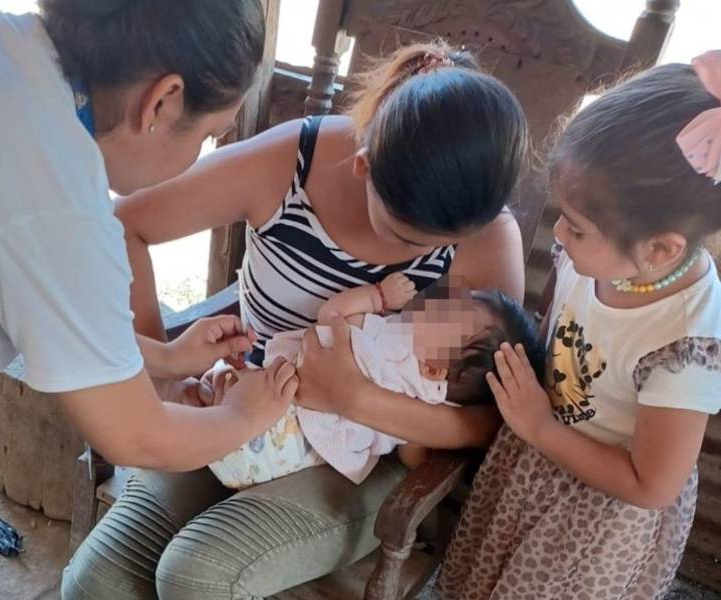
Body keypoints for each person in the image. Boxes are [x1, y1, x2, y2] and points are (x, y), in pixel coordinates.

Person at [64, 41, 529, 599]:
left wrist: (354, 398)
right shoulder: (294, 161)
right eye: (407, 238)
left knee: (195, 576)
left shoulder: (480, 235)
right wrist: (164, 368)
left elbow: (491, 419)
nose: (427, 254)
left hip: (355, 458)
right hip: (238, 397)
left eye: (441, 246)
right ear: (364, 167)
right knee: (95, 586)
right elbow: (126, 225)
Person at [0, 0, 298, 473]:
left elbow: (66, 323)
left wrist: (167, 358)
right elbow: (140, 438)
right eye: (207, 136)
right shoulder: (58, 207)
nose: (201, 152)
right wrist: (244, 416)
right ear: (163, 102)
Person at [434, 51, 721, 600]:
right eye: (560, 214)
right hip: (531, 462)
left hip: (594, 520)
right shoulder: (601, 255)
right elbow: (558, 325)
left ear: (660, 248)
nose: (559, 235)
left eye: (578, 227)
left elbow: (652, 484)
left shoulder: (686, 343)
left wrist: (541, 427)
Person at [206, 274, 545, 489]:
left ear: (434, 370)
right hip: (292, 455)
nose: (447, 303)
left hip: (286, 425)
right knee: (226, 399)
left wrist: (377, 297)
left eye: (455, 317)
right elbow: (413, 455)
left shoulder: (393, 338)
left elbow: (332, 316)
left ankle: (210, 422)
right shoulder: (424, 398)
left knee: (227, 394)